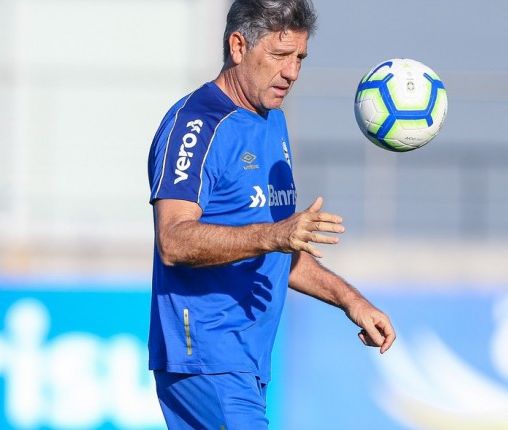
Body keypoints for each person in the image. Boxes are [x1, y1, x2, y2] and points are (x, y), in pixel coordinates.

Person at [146, 0, 396, 428]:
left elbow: (278, 246)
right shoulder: (196, 126)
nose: (292, 72)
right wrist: (275, 235)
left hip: (248, 361)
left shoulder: (272, 121)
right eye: (280, 55)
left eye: (300, 58)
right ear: (238, 46)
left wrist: (350, 300)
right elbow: (174, 239)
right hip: (206, 356)